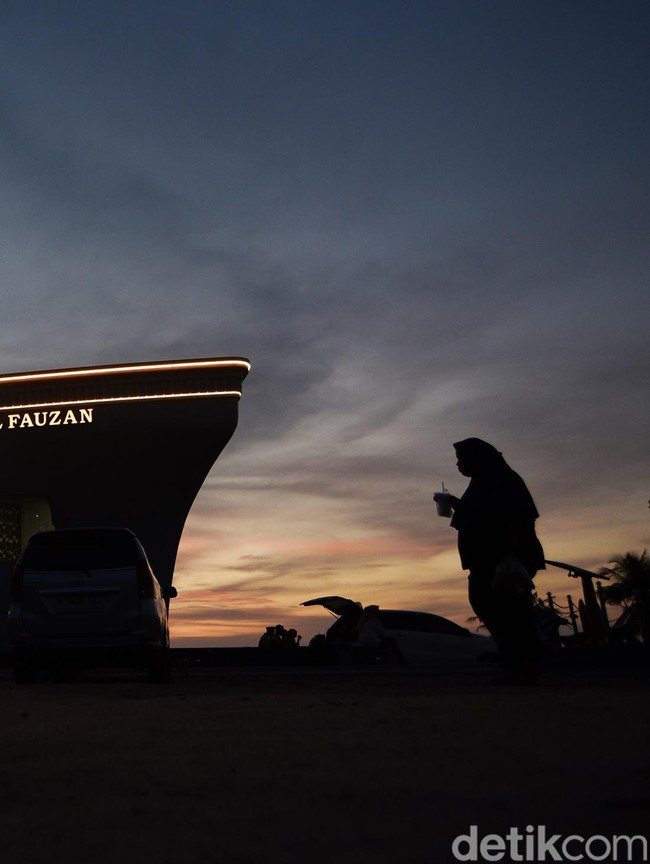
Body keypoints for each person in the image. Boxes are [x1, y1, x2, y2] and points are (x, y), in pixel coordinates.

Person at [434, 438, 545, 684]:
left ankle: (523, 667)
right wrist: (454, 503)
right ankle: (520, 666)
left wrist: (508, 555)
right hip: (493, 559)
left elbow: (510, 518)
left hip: (501, 559)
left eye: (462, 459)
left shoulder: (499, 480)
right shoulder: (486, 481)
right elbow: (481, 514)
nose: (458, 465)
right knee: (502, 610)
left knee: (503, 610)